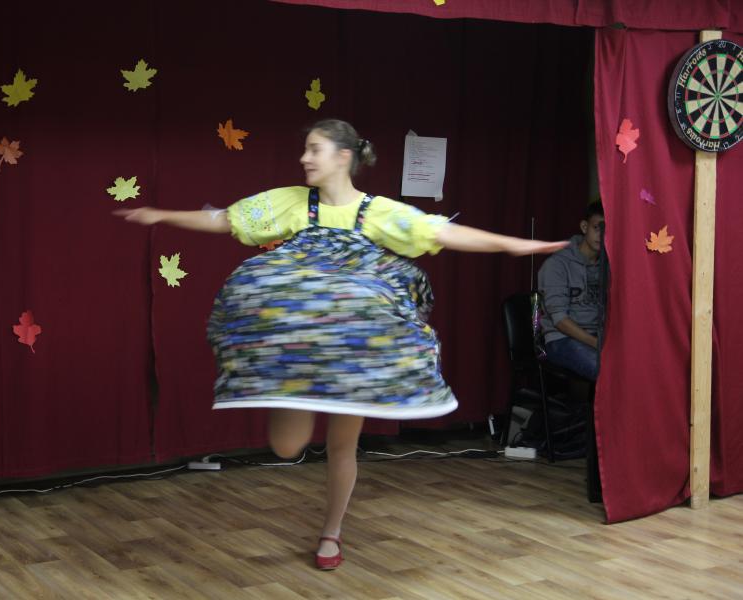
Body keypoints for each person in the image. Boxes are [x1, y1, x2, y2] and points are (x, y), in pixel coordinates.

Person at [115, 119, 566, 570]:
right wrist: (162, 215)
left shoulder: (379, 213)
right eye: (305, 149)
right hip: (299, 355)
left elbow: (442, 232)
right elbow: (225, 219)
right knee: (286, 448)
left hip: (353, 355)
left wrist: (511, 245)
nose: (304, 158)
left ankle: (331, 533)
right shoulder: (291, 203)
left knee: (342, 447)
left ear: (343, 157)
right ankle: (294, 390)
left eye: (314, 149)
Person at [537, 201, 605, 381]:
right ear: (584, 227)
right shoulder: (557, 264)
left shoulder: (607, 266)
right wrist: (597, 344)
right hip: (561, 339)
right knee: (607, 370)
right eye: (597, 228)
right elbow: (560, 321)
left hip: (596, 337)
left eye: (607, 230)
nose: (602, 235)